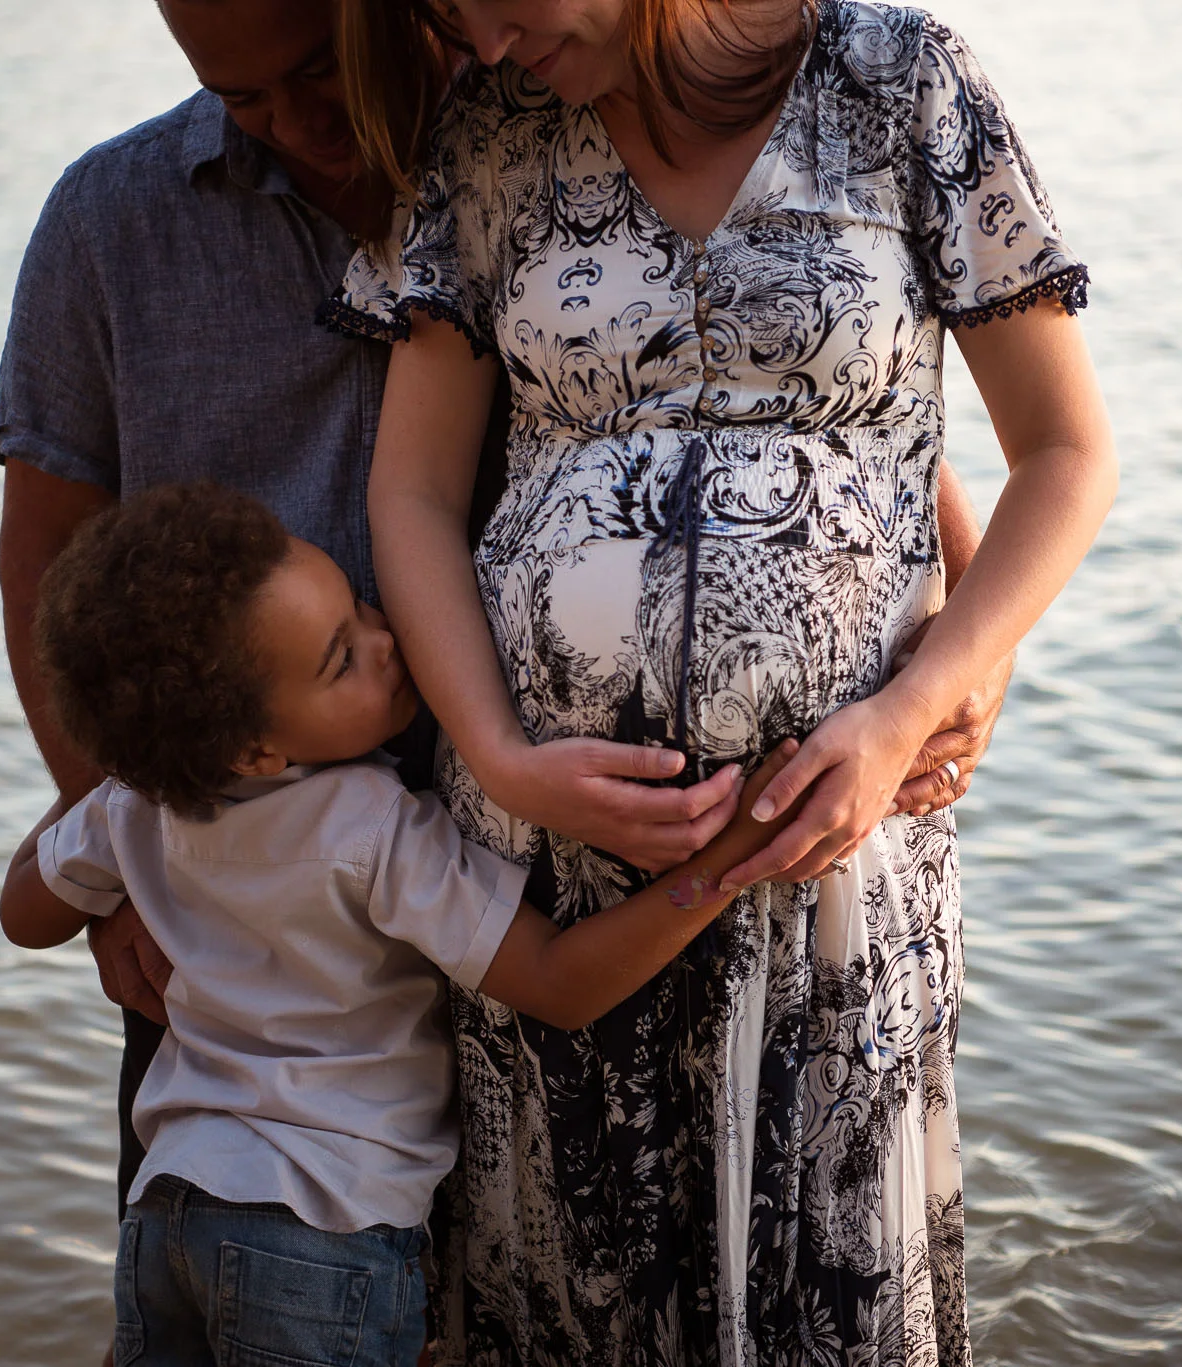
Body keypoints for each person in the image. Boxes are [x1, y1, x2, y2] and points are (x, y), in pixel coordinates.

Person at [0, 0, 1008, 1350]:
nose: (296, 126)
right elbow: (45, 568)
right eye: (244, 101)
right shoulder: (110, 225)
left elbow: (810, 398)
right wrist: (134, 878)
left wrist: (957, 656)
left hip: (516, 887)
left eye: (313, 75)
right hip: (257, 933)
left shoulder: (542, 107)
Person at [328, 1, 1118, 1363]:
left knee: (830, 1299)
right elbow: (407, 490)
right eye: (454, 13)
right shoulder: (489, 135)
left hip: (836, 872)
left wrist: (909, 709)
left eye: (500, 1)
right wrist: (505, 756)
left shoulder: (899, 80)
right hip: (554, 872)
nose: (488, 40)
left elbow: (1066, 454)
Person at [0, 483, 804, 1367]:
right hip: (323, 1230)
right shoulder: (370, 827)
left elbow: (21, 912)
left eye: (360, 604)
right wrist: (730, 864)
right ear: (256, 752)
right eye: (341, 659)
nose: (387, 641)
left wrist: (125, 770)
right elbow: (561, 984)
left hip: (167, 1210)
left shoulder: (135, 809)